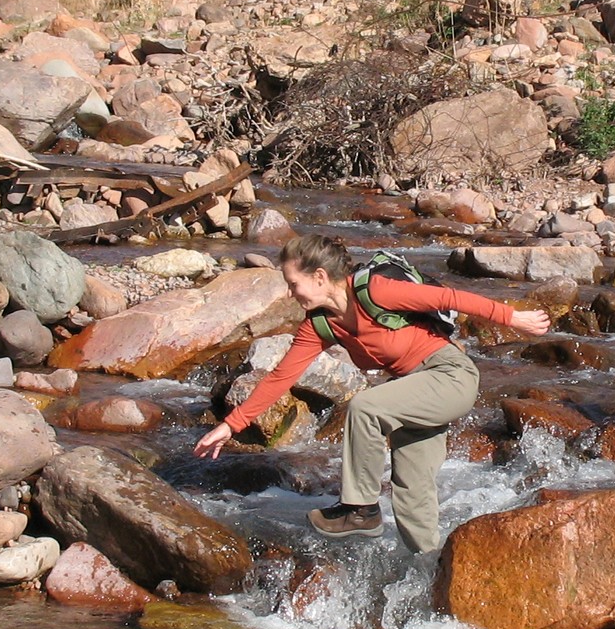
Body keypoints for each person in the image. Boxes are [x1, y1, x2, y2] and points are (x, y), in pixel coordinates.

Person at [195, 233, 551, 551]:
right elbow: (280, 377)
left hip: (449, 376)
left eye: (293, 283)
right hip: (410, 393)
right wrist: (230, 426)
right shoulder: (319, 324)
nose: (290, 292)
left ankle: (360, 510)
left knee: (364, 406)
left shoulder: (375, 291)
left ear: (319, 277)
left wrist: (513, 318)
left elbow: (451, 296)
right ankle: (431, 571)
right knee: (411, 496)